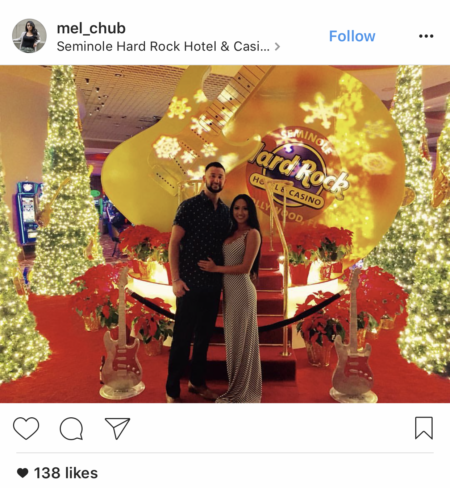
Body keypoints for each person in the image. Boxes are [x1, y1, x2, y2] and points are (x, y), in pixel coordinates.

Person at [165, 162, 231, 403]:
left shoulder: (225, 212)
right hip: (189, 284)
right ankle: (172, 389)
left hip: (212, 285)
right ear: (204, 178)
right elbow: (173, 243)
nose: (216, 179)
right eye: (212, 175)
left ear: (224, 181)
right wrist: (175, 279)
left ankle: (196, 382)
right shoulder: (189, 206)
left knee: (204, 338)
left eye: (220, 176)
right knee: (182, 339)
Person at [198, 194, 262, 403]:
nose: (240, 212)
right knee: (233, 341)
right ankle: (236, 384)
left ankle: (242, 389)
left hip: (242, 291)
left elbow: (245, 268)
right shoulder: (230, 231)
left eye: (244, 208)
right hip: (229, 293)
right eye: (236, 208)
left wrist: (215, 269)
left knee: (241, 341)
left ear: (250, 211)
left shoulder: (252, 233)